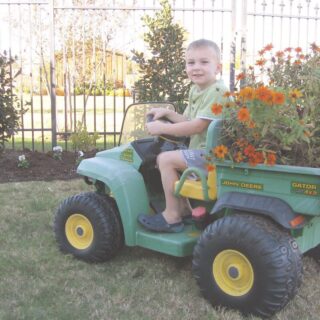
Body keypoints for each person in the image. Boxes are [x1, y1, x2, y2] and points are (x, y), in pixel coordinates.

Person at [138, 39, 229, 233]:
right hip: (201, 152)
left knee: (165, 159)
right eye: (191, 63)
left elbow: (196, 126)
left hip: (212, 157)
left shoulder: (218, 91)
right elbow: (188, 119)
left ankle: (172, 216)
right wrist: (168, 114)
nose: (196, 68)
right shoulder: (197, 90)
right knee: (175, 156)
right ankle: (186, 210)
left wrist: (162, 129)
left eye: (204, 62)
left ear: (218, 67)